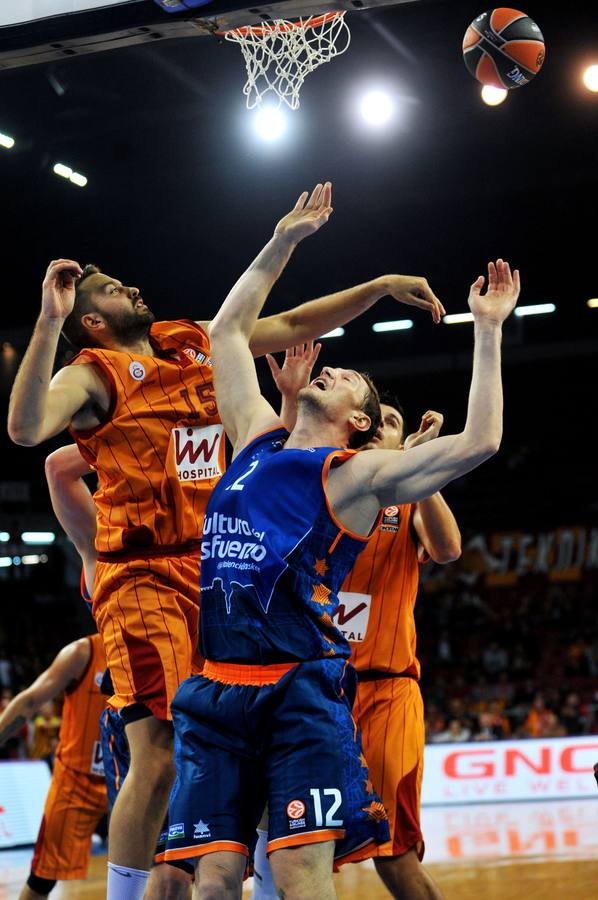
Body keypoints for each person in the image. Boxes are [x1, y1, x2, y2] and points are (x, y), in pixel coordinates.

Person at [7, 217, 442, 897]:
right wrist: (47, 319)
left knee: (252, 736)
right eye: (113, 291)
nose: (132, 288)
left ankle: (243, 881)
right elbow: (30, 432)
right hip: (146, 572)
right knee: (159, 748)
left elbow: (295, 317)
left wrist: (382, 286)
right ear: (92, 321)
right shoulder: (91, 374)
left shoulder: (191, 342)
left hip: (220, 571)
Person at [158, 182, 519, 899]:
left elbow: (481, 440)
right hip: (217, 686)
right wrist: (284, 239)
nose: (333, 368)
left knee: (297, 872)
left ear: (358, 419)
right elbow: (226, 333)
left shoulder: (354, 477)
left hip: (300, 690)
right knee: (213, 879)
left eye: (349, 377)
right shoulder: (256, 438)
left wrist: (487, 328)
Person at [45, 443, 192, 899]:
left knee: (182, 870)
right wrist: (132, 434)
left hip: (196, 706)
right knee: (158, 856)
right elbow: (56, 466)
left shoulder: (191, 526)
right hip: (138, 712)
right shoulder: (103, 545)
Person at [0, 633, 107, 899]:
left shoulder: (158, 645)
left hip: (131, 780)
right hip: (76, 781)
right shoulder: (82, 652)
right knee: (42, 879)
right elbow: (30, 701)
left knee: (165, 869)